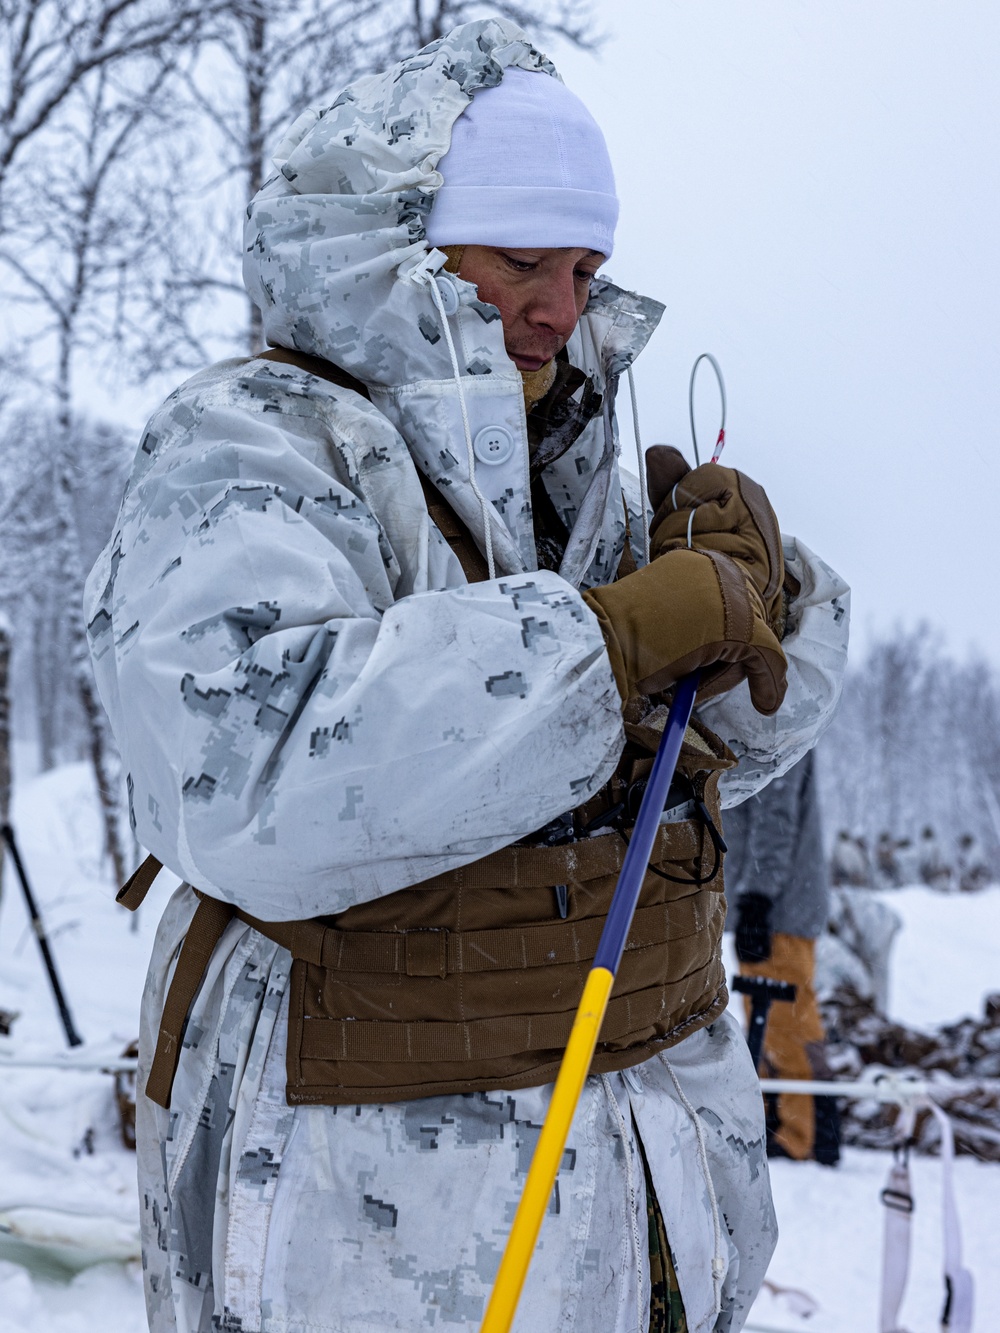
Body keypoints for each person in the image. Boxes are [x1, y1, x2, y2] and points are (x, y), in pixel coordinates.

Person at [85, 20, 849, 1333]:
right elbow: (245, 773)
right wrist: (603, 648)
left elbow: (740, 736)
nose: (561, 305)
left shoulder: (568, 464)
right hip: (371, 1222)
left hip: (637, 1183)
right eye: (520, 260)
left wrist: (761, 604)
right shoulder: (253, 444)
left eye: (585, 265)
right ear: (398, 246)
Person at [724, 750, 840, 1164]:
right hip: (776, 904)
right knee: (772, 1020)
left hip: (777, 907)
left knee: (786, 1023)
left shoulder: (777, 732)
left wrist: (757, 896)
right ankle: (794, 1126)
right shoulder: (772, 726)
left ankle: (805, 1135)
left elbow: (776, 819)